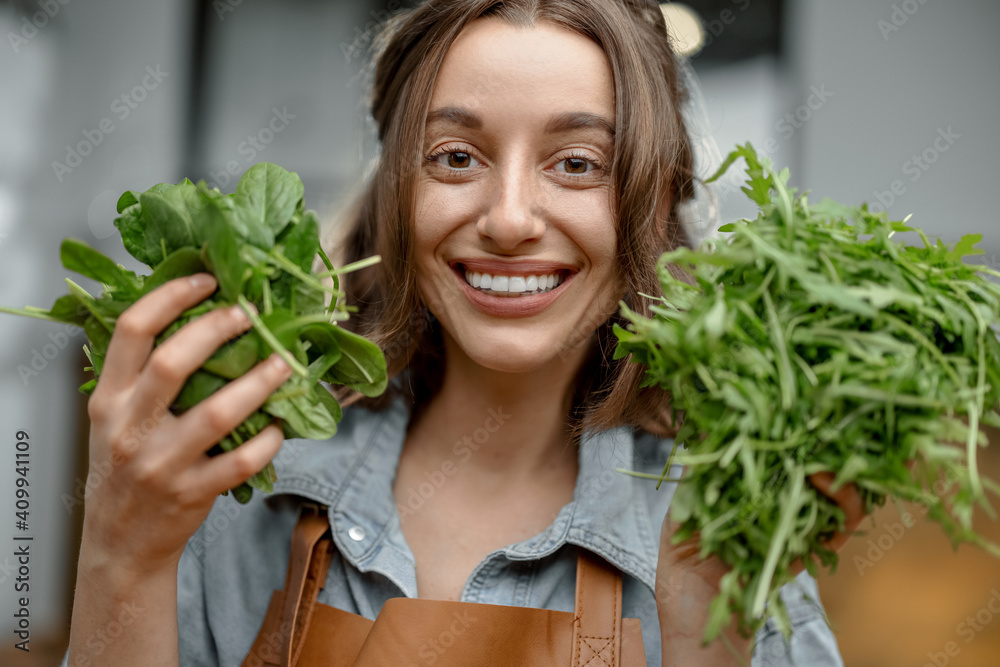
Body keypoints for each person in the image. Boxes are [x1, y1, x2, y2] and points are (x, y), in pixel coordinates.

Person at [63, 1, 865, 665]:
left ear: (654, 205)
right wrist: (120, 556)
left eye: (578, 162)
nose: (510, 218)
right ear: (396, 197)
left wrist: (706, 643)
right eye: (455, 156)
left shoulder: (727, 528)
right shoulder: (243, 488)